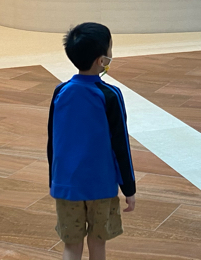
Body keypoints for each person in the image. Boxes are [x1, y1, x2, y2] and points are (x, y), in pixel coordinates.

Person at [48, 22, 136, 260]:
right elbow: (121, 146)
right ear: (101, 60)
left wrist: (54, 181)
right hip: (101, 186)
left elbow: (53, 141)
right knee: (98, 244)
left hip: (67, 186)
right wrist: (129, 187)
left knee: (71, 246)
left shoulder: (60, 92)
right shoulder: (110, 95)